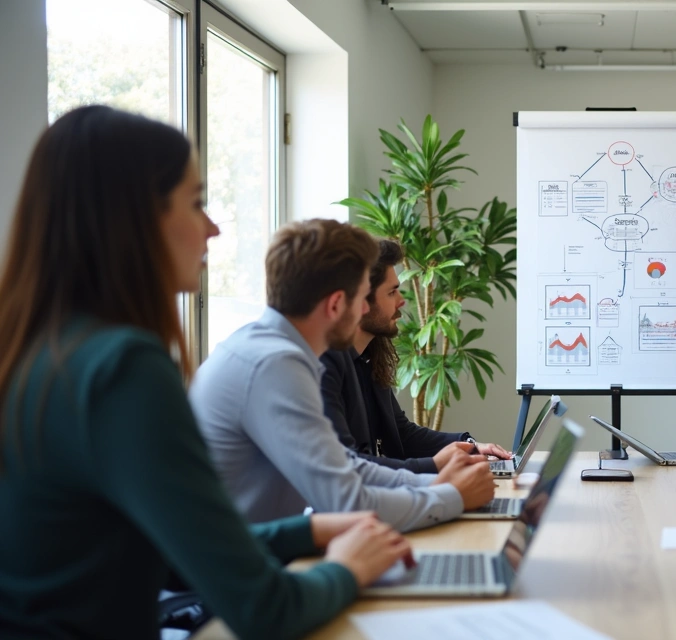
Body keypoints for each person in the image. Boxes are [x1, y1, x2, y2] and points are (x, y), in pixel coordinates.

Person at [0, 106, 412, 639]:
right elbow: (265, 609)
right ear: (134, 219)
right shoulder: (124, 368)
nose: (213, 227)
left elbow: (160, 547)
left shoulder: (39, 351)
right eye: (196, 203)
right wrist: (349, 568)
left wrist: (304, 533)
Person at [191, 219, 496, 532]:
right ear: (337, 304)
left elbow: (346, 468)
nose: (365, 311)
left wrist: (435, 482)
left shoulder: (266, 348)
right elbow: (344, 501)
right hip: (239, 573)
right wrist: (451, 496)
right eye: (362, 297)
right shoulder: (275, 365)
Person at [320, 238, 511, 472]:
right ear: (361, 299)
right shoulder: (327, 364)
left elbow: (401, 433)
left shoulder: (369, 356)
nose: (401, 301)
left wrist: (469, 447)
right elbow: (352, 465)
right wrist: (435, 467)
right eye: (392, 292)